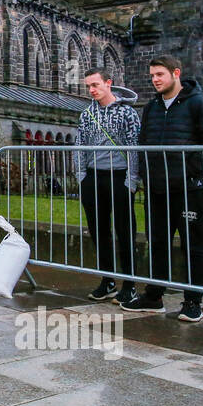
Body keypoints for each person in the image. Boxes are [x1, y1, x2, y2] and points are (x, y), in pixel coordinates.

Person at [123, 55, 203, 323]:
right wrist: (147, 173)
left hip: (188, 189)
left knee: (193, 246)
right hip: (157, 190)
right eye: (152, 76)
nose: (155, 80)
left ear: (175, 73)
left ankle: (193, 301)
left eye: (160, 74)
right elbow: (144, 144)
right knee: (157, 243)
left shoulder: (200, 105)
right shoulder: (152, 108)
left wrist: (186, 171)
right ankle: (154, 296)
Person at [73, 69, 141, 304]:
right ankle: (108, 280)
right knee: (98, 230)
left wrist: (131, 179)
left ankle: (129, 284)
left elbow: (134, 146)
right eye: (88, 86)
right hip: (93, 178)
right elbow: (79, 145)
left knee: (125, 232)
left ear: (108, 83)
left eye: (95, 85)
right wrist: (81, 175)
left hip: (119, 176)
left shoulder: (127, 113)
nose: (91, 90)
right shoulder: (86, 115)